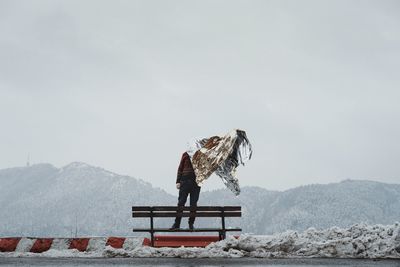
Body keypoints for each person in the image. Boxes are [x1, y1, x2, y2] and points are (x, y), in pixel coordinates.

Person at [170, 151, 201, 230]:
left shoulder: (201, 154)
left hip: (196, 182)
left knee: (193, 204)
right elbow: (180, 167)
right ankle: (177, 224)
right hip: (185, 181)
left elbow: (205, 168)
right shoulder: (185, 154)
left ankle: (191, 224)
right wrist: (178, 181)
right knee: (181, 203)